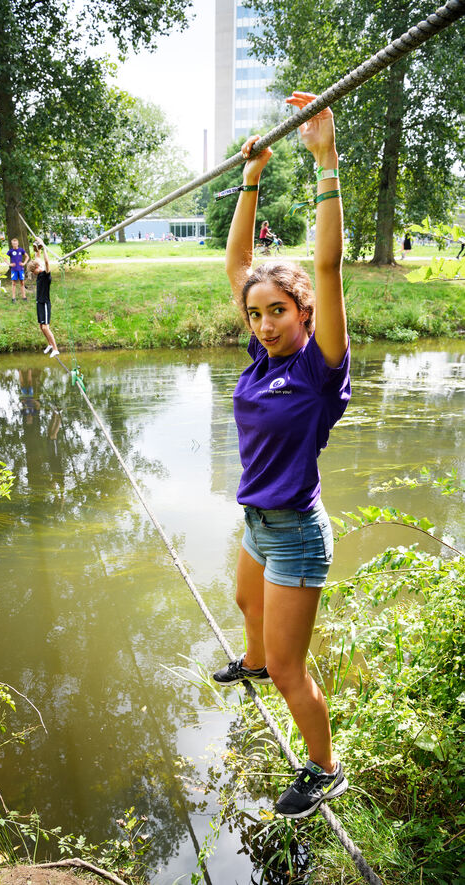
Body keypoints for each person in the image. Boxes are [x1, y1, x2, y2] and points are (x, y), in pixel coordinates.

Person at [212, 91, 351, 820]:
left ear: (303, 315)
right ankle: (255, 659)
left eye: (279, 311)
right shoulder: (262, 359)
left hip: (296, 528)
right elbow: (239, 262)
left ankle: (325, 768)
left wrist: (326, 162)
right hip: (260, 521)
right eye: (257, 312)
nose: (265, 323)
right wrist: (252, 174)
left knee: (293, 669)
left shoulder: (317, 366)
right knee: (245, 604)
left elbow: (327, 268)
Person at [27, 240, 59, 358]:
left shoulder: (45, 274)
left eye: (33, 271)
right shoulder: (39, 274)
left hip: (45, 303)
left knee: (45, 327)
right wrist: (38, 249)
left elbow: (45, 261)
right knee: (41, 327)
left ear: (37, 267)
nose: (33, 273)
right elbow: (38, 258)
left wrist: (44, 248)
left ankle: (55, 348)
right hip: (39, 303)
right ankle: (50, 344)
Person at [7, 237, 29, 302]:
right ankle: (13, 298)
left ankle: (24, 297)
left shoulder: (21, 250)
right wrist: (9, 264)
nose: (15, 245)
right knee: (13, 283)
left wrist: (24, 263)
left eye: (16, 244)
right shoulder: (10, 251)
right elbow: (4, 258)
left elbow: (27, 256)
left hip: (20, 269)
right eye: (14, 244)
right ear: (12, 244)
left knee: (22, 282)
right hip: (14, 270)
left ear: (18, 243)